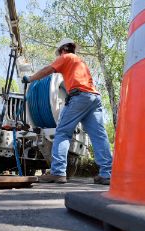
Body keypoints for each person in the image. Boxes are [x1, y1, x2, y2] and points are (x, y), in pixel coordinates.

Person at [22, 38, 112, 185]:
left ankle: (57, 172)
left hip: (79, 97)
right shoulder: (80, 61)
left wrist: (30, 78)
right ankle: (107, 174)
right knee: (99, 136)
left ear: (63, 50)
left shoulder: (66, 57)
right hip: (94, 98)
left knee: (63, 133)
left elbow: (47, 70)